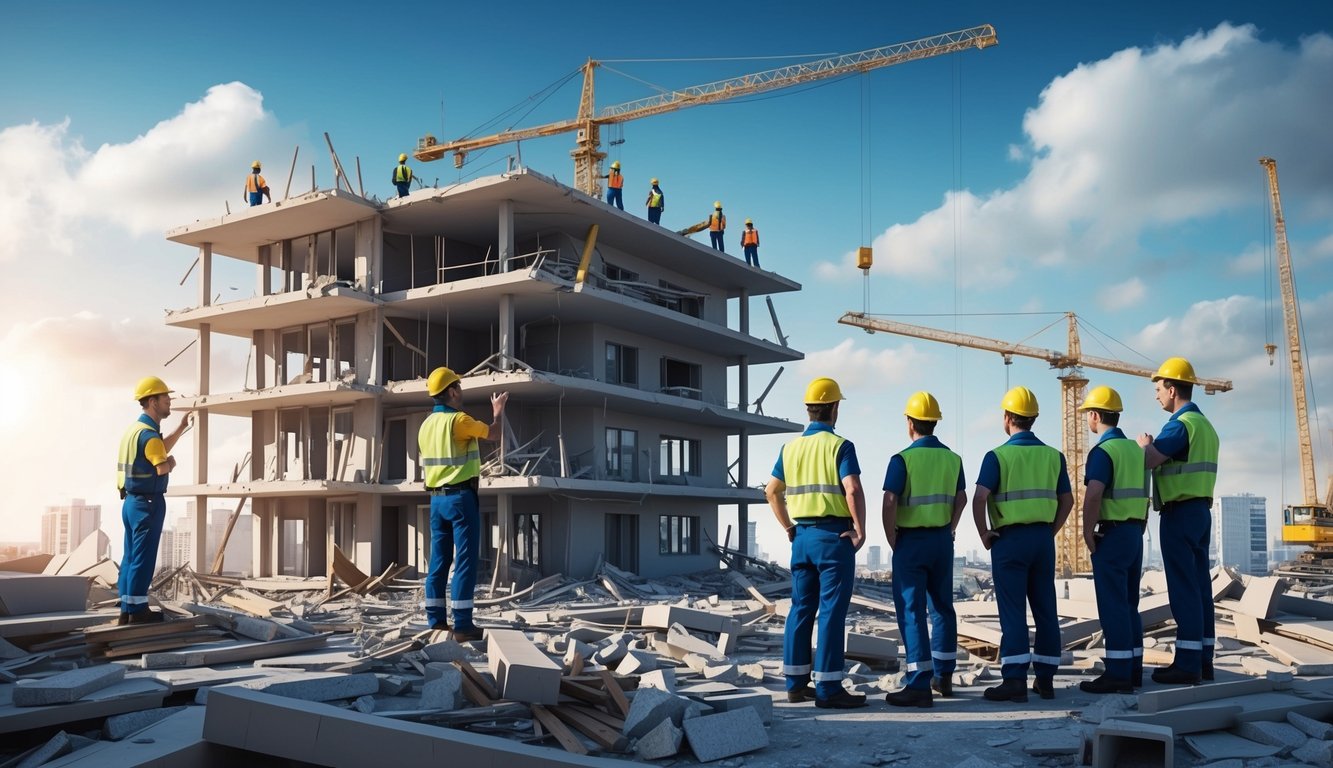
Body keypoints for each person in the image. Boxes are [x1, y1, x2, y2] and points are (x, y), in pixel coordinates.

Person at [766, 377, 868, 709]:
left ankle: (795, 684)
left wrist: (788, 527)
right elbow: (851, 488)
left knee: (800, 610)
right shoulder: (841, 446)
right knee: (831, 613)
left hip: (802, 539)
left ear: (809, 409)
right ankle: (828, 688)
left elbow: (771, 491)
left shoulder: (790, 448)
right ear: (834, 408)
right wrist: (860, 529)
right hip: (833, 538)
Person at [972, 386, 1073, 703]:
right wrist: (1050, 531)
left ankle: (1014, 681)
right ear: (1034, 419)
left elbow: (979, 499)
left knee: (1013, 612)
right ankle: (1045, 680)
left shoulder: (997, 456)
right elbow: (1067, 501)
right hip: (1042, 540)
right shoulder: (1053, 456)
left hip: (1009, 541)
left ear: (1007, 418)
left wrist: (984, 533)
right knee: (1046, 609)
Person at [882, 392, 966, 709]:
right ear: (934, 422)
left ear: (910, 423)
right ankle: (943, 676)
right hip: (942, 541)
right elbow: (961, 499)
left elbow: (890, 501)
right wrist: (951, 527)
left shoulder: (902, 460)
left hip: (911, 542)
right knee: (943, 607)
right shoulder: (953, 459)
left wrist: (893, 539)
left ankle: (919, 682)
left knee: (912, 610)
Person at [1138, 357, 1219, 685]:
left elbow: (1152, 459)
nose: (1157, 395)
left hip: (1179, 513)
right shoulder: (1206, 426)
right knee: (1200, 588)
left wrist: (1146, 445)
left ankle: (1186, 664)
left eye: (1159, 389)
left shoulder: (1179, 424)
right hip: (1200, 513)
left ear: (1172, 389)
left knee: (1184, 588)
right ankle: (1203, 661)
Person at [418, 366, 509, 642]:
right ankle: (463, 625)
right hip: (460, 498)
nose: (461, 393)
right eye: (459, 388)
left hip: (436, 501)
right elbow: (494, 434)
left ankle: (436, 623)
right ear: (452, 391)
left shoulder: (426, 425)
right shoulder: (459, 420)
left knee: (439, 562)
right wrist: (498, 410)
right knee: (465, 560)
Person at [1077, 385, 1148, 694]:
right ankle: (1132, 670)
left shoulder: (1102, 452)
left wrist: (1086, 531)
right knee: (1130, 604)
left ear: (1095, 415)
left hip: (1112, 532)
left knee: (1113, 606)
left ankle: (1117, 673)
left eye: (1087, 416)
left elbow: (1094, 494)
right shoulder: (1136, 450)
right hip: (1134, 532)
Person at [116, 377, 191, 624]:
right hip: (148, 503)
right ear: (152, 401)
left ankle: (127, 610)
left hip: (131, 503)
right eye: (165, 398)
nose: (169, 401)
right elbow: (160, 466)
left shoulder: (135, 431)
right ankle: (138, 612)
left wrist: (180, 428)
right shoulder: (148, 435)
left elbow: (157, 447)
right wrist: (171, 463)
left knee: (130, 558)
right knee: (144, 558)